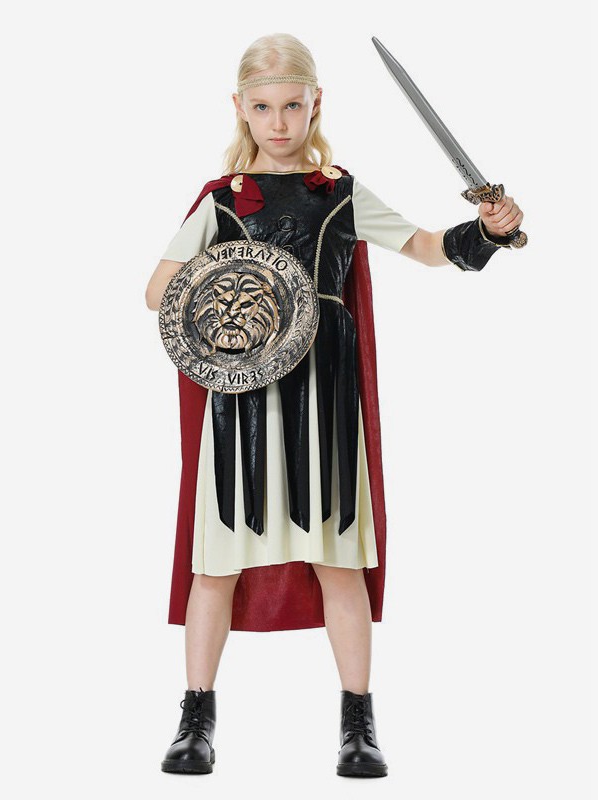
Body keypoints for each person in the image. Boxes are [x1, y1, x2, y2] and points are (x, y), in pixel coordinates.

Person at [144, 32, 524, 778]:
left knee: (337, 562)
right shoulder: (223, 201)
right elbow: (160, 292)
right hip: (242, 404)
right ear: (239, 108)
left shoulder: (340, 194)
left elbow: (424, 246)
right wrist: (234, 285)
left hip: (325, 400)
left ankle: (358, 725)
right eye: (263, 107)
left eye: (292, 105)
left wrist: (486, 232)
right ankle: (196, 719)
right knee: (216, 567)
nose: (278, 122)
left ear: (316, 103)